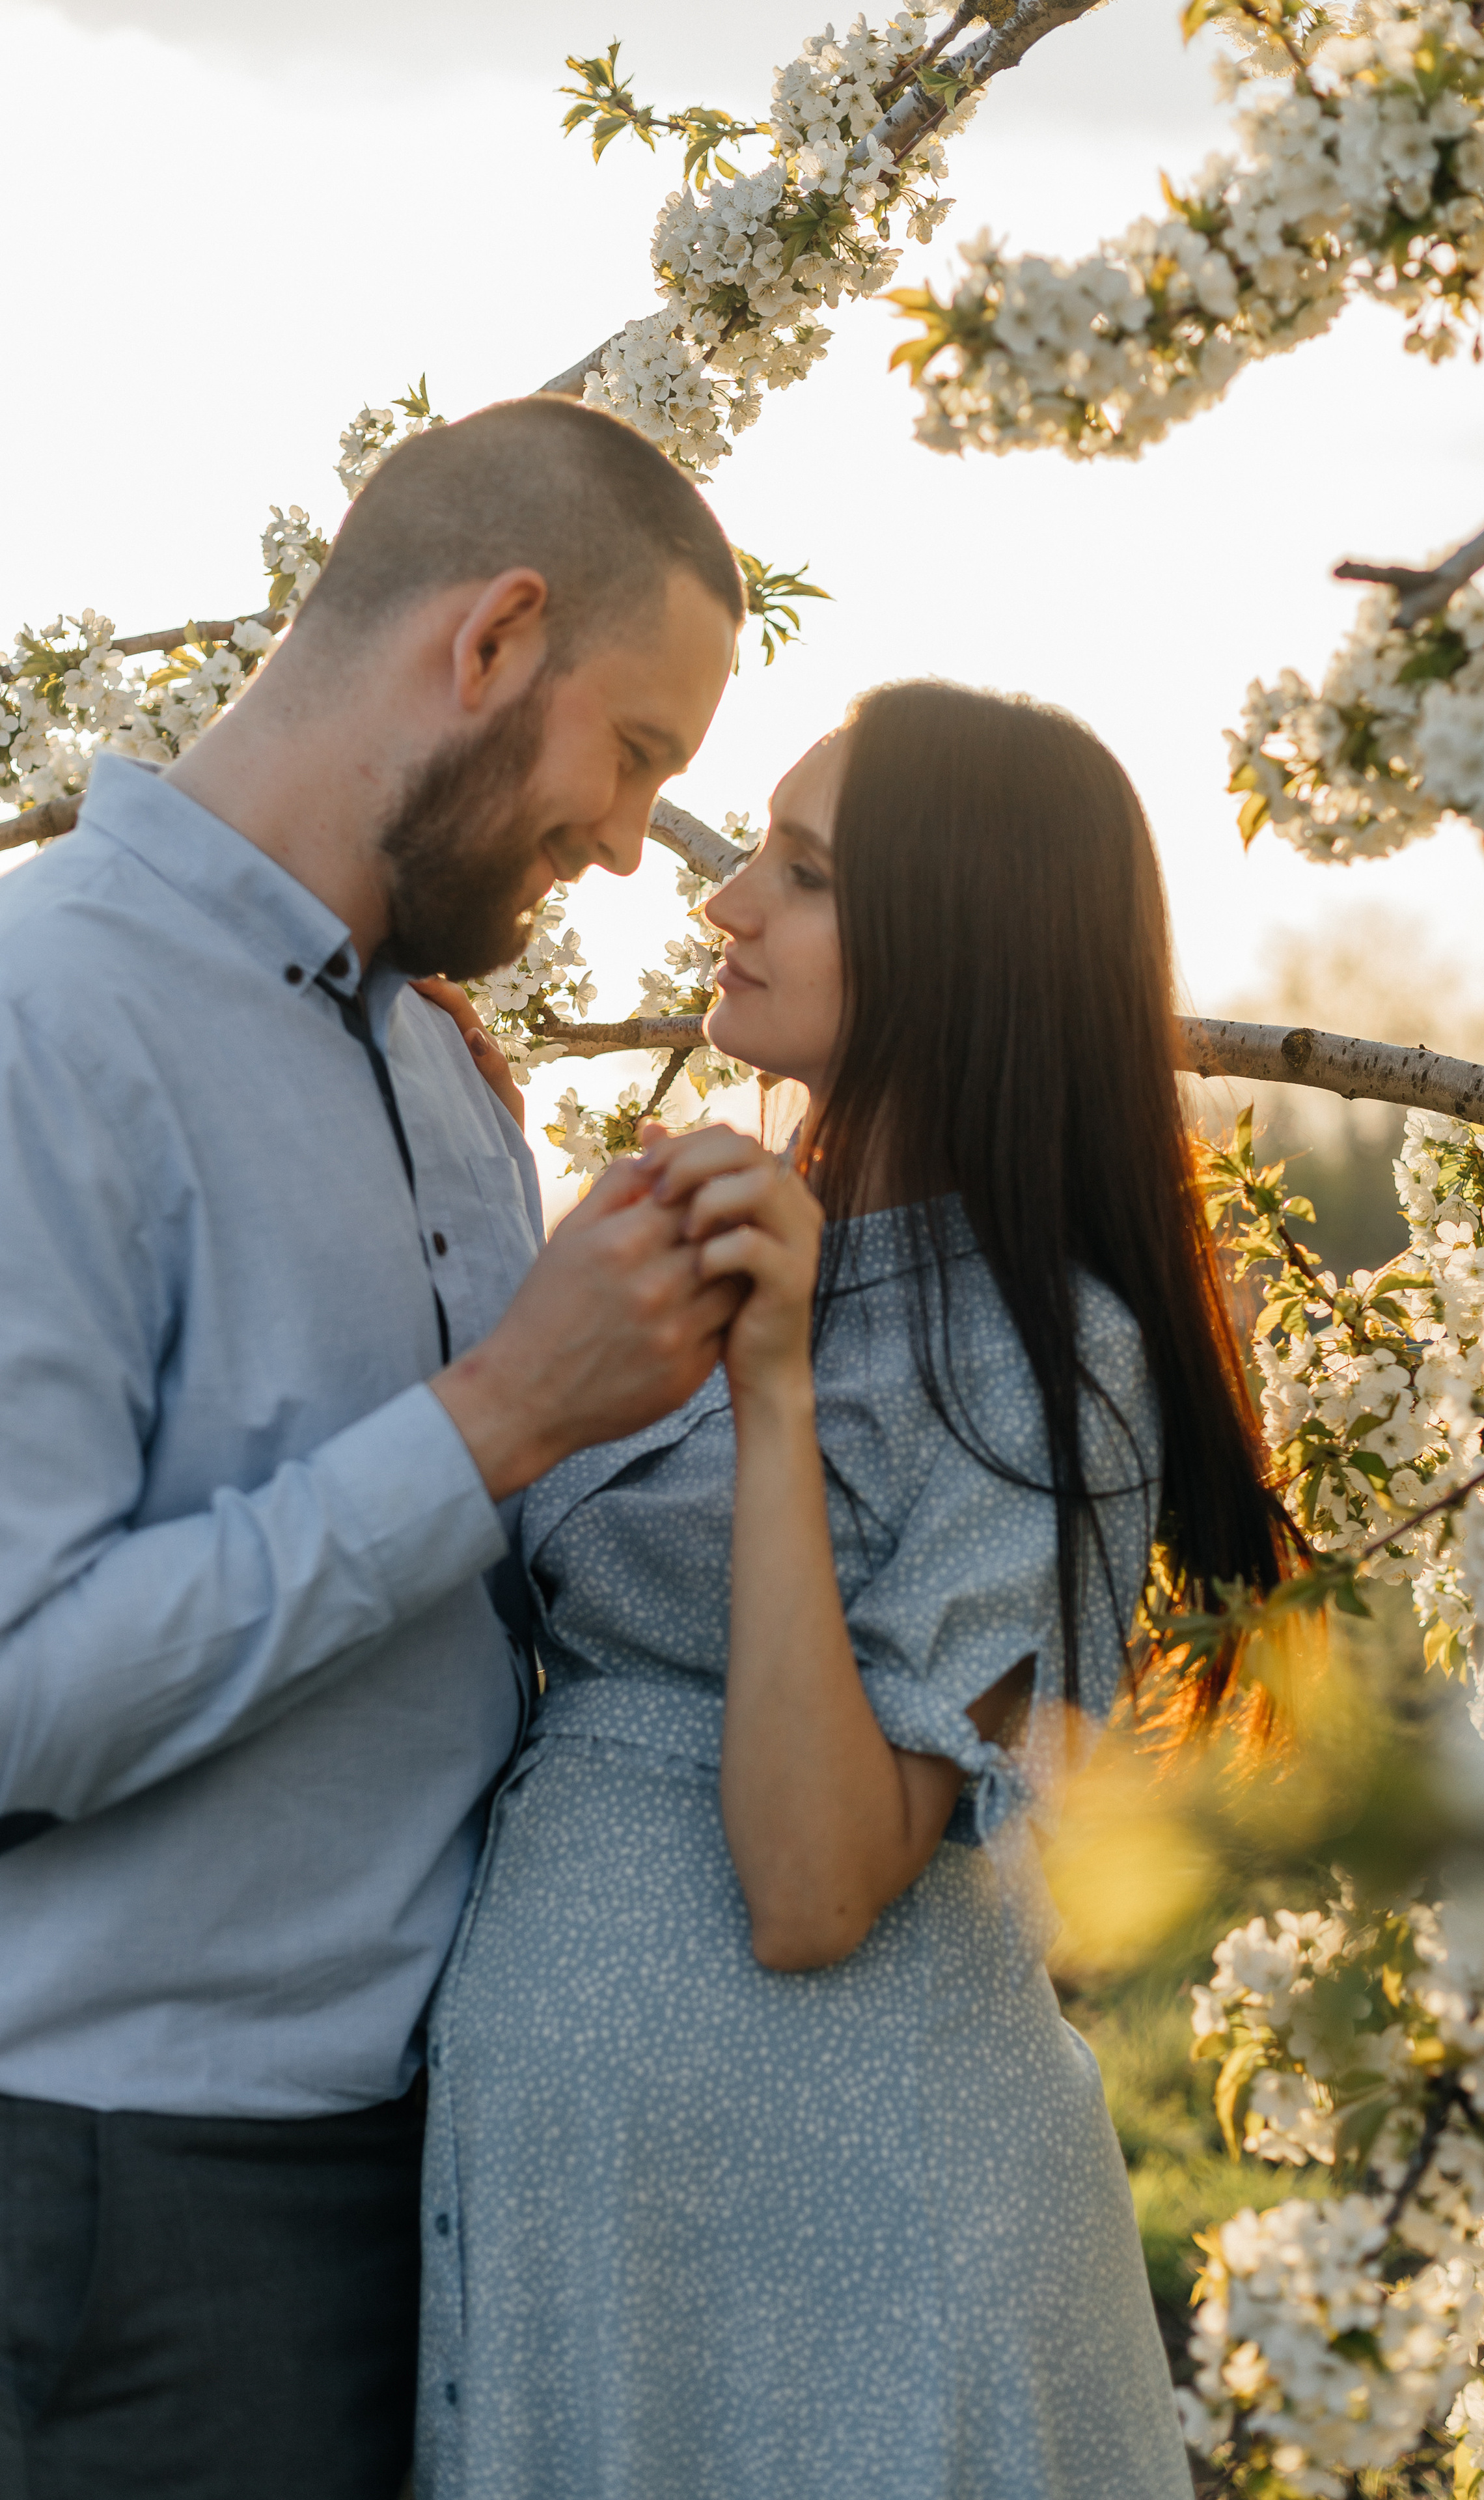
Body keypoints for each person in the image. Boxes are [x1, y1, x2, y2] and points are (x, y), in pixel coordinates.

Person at [417, 680, 1295, 2499]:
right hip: (587, 2227)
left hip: (851, 2243)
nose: (725, 899)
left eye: (801, 874)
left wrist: (779, 1391)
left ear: (955, 947)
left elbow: (817, 1886)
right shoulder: (674, 1225)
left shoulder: (1054, 1358)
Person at [0, 395, 747, 2500]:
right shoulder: (45, 1025)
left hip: (429, 2188)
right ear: (496, 639)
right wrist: (501, 1415)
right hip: (128, 2197)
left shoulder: (444, 1077)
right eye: (643, 757)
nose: (626, 843)